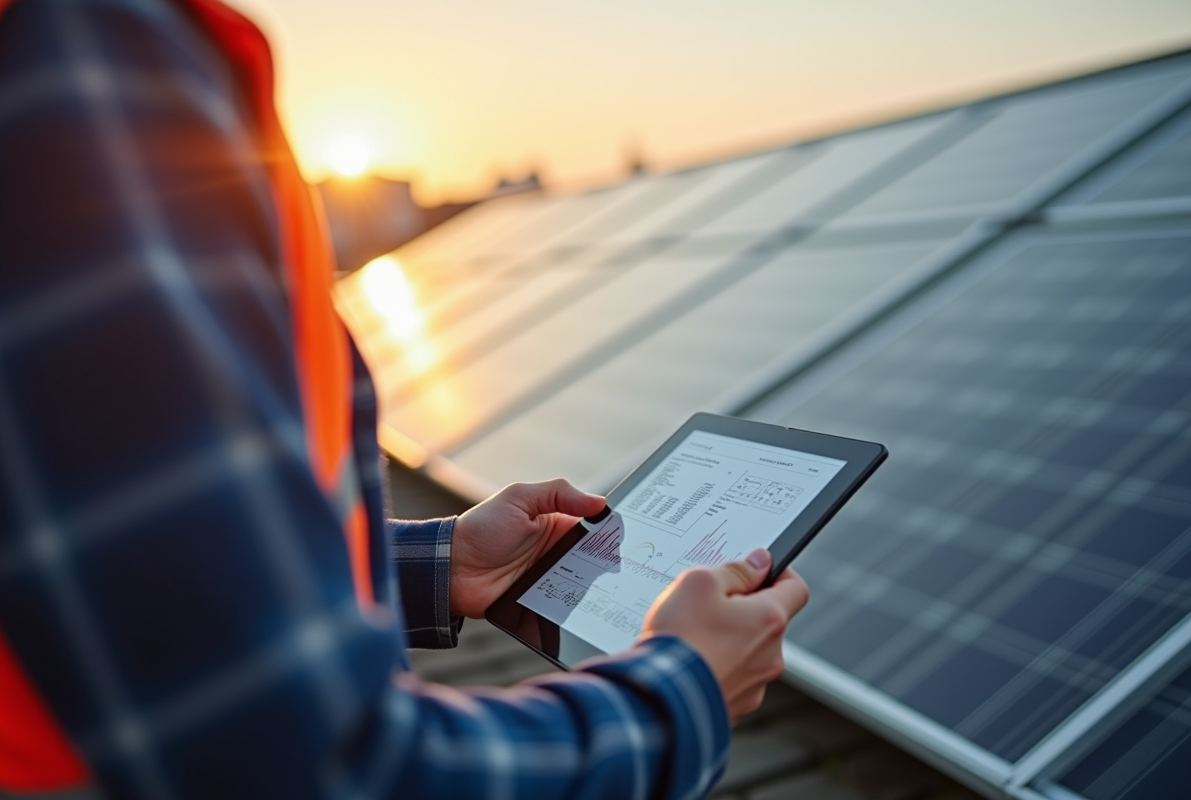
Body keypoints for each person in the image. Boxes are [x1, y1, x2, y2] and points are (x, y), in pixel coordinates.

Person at [0, 0, 810, 797]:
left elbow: (147, 572)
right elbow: (314, 768)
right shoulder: (86, 53)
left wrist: (440, 563)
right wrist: (681, 696)